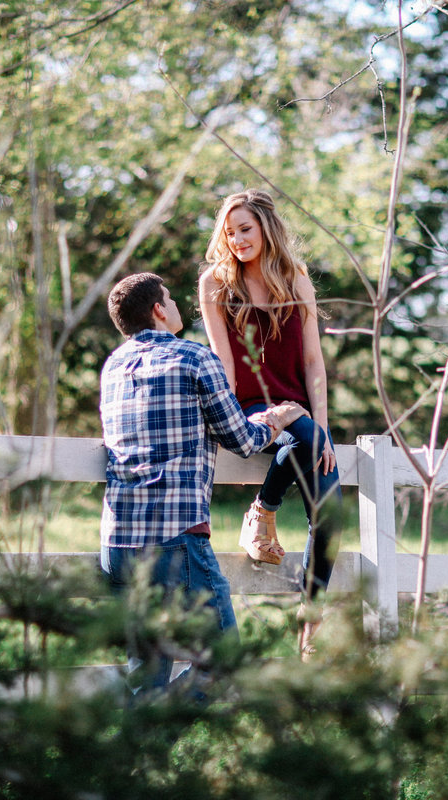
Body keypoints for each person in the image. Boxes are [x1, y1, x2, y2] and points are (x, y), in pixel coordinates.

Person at [100, 271, 308, 696]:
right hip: (174, 540)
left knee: (146, 676)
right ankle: (158, 728)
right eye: (171, 298)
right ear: (159, 310)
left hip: (117, 542)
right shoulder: (195, 359)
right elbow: (243, 440)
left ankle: (139, 755)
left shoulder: (113, 367)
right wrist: (279, 416)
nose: (177, 306)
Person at [198, 189, 342, 658]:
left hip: (299, 413)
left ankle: (309, 620)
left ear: (266, 229)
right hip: (244, 408)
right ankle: (262, 511)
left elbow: (314, 362)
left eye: (246, 229)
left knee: (331, 511)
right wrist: (229, 419)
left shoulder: (296, 281)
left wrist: (322, 428)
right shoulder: (215, 285)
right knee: (298, 444)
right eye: (230, 231)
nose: (237, 239)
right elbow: (223, 361)